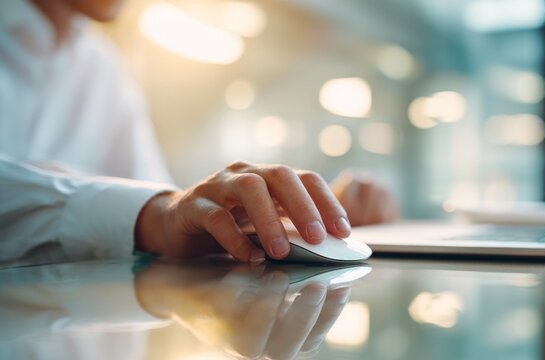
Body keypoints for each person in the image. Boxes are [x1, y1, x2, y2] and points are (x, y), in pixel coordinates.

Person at [0, 0, 399, 265]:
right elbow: (149, 215)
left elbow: (155, 213)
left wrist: (284, 218)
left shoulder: (102, 65)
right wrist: (157, 215)